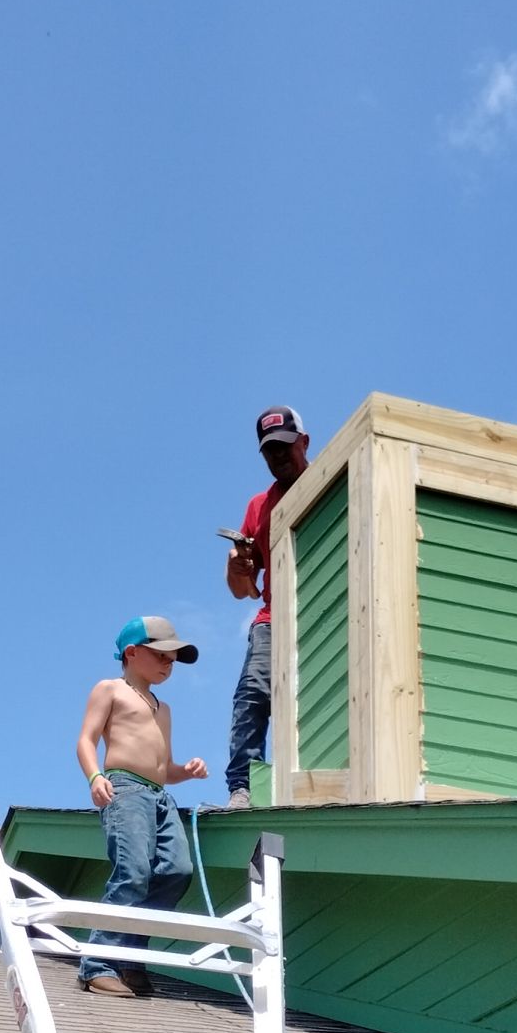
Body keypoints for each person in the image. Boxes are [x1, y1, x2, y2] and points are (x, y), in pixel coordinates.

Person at [74, 616, 210, 997]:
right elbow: (85, 740)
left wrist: (186, 770)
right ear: (132, 653)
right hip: (125, 789)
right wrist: (94, 777)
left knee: (177, 871)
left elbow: (163, 769)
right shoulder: (111, 690)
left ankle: (130, 958)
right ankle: (96, 964)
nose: (169, 664)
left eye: (174, 659)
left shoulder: (162, 709)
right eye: (162, 654)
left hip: (159, 796)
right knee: (133, 870)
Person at [222, 403, 310, 809]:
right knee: (253, 697)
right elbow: (243, 590)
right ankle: (243, 789)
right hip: (273, 617)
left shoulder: (330, 478)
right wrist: (238, 566)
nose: (278, 457)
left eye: (285, 447)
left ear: (304, 443)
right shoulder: (259, 506)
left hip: (324, 610)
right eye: (269, 451)